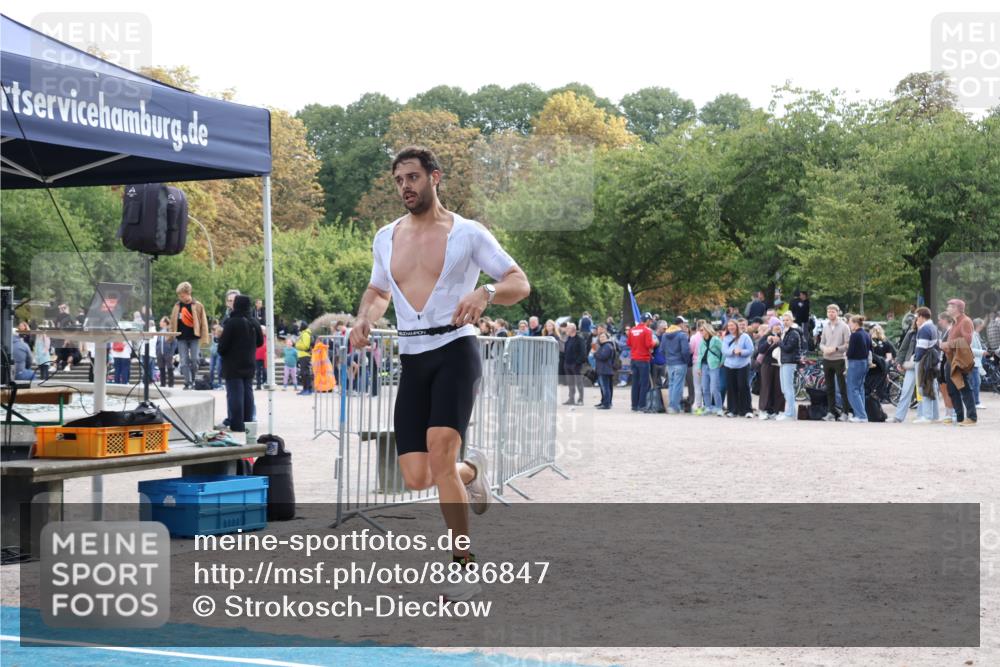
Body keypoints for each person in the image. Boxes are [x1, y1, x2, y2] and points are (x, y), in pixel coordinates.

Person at [348, 145, 530, 599]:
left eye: (412, 177)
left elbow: (518, 282)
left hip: (455, 350)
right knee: (416, 476)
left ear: (434, 177)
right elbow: (378, 289)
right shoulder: (386, 236)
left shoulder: (468, 233)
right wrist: (364, 317)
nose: (405, 187)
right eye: (398, 180)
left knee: (439, 454)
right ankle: (472, 471)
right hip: (413, 358)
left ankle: (464, 565)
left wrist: (485, 293)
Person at [218, 295, 263, 433]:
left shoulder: (232, 322)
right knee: (248, 393)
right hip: (249, 361)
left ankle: (237, 424)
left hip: (233, 364)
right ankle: (248, 423)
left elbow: (222, 346)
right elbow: (260, 342)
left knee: (235, 394)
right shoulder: (254, 322)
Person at [940, 299, 977, 426]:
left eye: (950, 306)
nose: (948, 308)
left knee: (964, 388)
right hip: (951, 360)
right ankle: (960, 418)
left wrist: (947, 344)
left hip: (959, 360)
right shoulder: (955, 323)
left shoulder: (966, 321)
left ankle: (971, 418)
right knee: (952, 390)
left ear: (957, 308)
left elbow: (967, 341)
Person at [169, 282, 210, 390]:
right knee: (183, 361)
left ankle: (192, 379)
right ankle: (188, 382)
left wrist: (205, 337)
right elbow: (173, 322)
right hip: (181, 337)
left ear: (188, 293)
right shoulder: (177, 306)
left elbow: (204, 322)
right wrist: (170, 336)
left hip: (194, 337)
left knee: (195, 359)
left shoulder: (198, 305)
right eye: (179, 296)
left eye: (182, 295)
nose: (180, 298)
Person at [819, 304, 851, 421]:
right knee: (829, 387)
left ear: (837, 313)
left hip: (839, 359)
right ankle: (831, 411)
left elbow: (848, 344)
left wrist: (836, 348)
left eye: (833, 312)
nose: (830, 314)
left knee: (842, 387)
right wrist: (824, 349)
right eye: (828, 312)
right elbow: (821, 342)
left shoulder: (844, 326)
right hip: (827, 359)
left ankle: (845, 412)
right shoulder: (825, 326)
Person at [913, 307, 940, 424]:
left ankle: (927, 416)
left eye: (916, 317)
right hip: (932, 361)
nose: (916, 320)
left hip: (924, 361)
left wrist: (916, 360)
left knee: (924, 386)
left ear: (921, 317)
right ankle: (934, 415)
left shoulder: (924, 329)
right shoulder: (933, 327)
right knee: (932, 387)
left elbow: (921, 348)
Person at [721, 319, 754, 417]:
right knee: (731, 387)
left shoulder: (745, 337)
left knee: (743, 386)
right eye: (729, 326)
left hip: (743, 365)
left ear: (737, 326)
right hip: (729, 366)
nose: (731, 327)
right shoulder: (726, 338)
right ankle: (732, 410)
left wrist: (741, 352)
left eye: (733, 325)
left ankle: (747, 410)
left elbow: (751, 350)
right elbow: (724, 351)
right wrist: (732, 351)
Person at [627, 315, 657, 411]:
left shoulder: (632, 330)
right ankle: (642, 404)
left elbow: (629, 344)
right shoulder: (647, 330)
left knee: (635, 383)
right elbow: (649, 344)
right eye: (650, 321)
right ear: (647, 320)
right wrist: (655, 343)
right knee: (644, 383)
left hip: (634, 359)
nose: (651, 322)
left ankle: (634, 405)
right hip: (643, 359)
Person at [892, 317, 919, 423]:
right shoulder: (911, 333)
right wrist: (899, 362)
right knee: (906, 390)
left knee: (924, 392)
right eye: (916, 320)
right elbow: (903, 348)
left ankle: (925, 415)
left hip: (924, 365)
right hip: (911, 364)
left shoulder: (930, 330)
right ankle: (899, 416)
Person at [757, 317, 785, 419]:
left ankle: (777, 410)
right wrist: (769, 342)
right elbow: (760, 349)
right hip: (767, 364)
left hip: (780, 365)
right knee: (766, 387)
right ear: (771, 326)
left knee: (779, 388)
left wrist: (780, 341)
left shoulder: (784, 336)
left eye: (779, 325)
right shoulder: (766, 336)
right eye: (775, 325)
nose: (777, 327)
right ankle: (763, 410)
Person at [845, 315, 872, 422]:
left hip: (855, 362)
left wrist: (846, 353)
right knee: (860, 388)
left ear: (855, 324)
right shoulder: (866, 334)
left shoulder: (855, 335)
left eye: (850, 323)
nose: (849, 324)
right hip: (864, 362)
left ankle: (861, 415)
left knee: (852, 389)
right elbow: (871, 349)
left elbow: (850, 352)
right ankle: (861, 414)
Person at [776, 312, 802, 421]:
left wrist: (779, 341)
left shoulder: (794, 333)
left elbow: (787, 348)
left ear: (792, 321)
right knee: (784, 389)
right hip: (783, 362)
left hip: (790, 362)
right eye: (784, 320)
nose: (785, 322)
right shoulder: (785, 332)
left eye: (787, 320)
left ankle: (790, 414)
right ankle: (790, 412)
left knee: (788, 388)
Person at [661, 317, 690, 414]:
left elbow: (661, 350)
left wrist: (668, 358)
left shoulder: (665, 335)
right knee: (678, 385)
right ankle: (674, 407)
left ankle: (672, 406)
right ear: (681, 324)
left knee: (672, 385)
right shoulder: (682, 335)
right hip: (680, 363)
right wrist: (687, 361)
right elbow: (685, 351)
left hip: (669, 363)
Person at [697, 322, 724, 415]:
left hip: (714, 366)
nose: (700, 332)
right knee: (705, 388)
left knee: (715, 388)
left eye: (702, 330)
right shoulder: (702, 342)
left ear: (707, 330)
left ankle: (719, 407)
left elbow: (723, 351)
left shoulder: (716, 339)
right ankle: (708, 407)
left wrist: (721, 363)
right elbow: (699, 355)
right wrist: (699, 368)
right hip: (704, 366)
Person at [562, 322, 587, 405]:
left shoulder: (580, 339)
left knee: (579, 382)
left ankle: (581, 400)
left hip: (576, 365)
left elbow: (583, 353)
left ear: (573, 329)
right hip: (567, 364)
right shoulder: (568, 339)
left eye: (568, 328)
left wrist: (577, 362)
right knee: (570, 383)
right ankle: (571, 399)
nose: (566, 330)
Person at [593, 331, 616, 409]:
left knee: (605, 387)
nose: (601, 338)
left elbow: (603, 356)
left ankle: (606, 404)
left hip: (605, 370)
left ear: (607, 338)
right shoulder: (603, 346)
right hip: (603, 369)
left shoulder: (607, 346)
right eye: (600, 337)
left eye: (603, 337)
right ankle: (604, 402)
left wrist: (595, 354)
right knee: (605, 387)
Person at [155, 316, 177, 388]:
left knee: (170, 368)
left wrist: (172, 352)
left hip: (168, 352)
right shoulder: (160, 332)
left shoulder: (170, 331)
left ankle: (171, 383)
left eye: (161, 321)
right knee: (161, 368)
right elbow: (158, 342)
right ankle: (162, 383)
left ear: (165, 323)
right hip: (160, 352)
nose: (160, 323)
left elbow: (174, 343)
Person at [295, 324, 314, 396]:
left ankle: (308, 389)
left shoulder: (305, 334)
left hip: (305, 355)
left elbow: (306, 346)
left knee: (305, 373)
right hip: (302, 355)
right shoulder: (303, 334)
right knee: (303, 373)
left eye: (299, 326)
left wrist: (297, 345)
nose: (298, 327)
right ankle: (305, 389)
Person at [971, 318, 985, 409]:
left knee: (976, 382)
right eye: (981, 326)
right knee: (975, 382)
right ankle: (976, 402)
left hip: (976, 362)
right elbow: (971, 349)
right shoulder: (973, 335)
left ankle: (975, 401)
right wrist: (982, 352)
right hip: (973, 362)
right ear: (978, 326)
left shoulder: (976, 334)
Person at [254, 326, 268, 390]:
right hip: (257, 356)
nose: (262, 331)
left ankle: (264, 383)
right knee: (258, 372)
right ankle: (258, 385)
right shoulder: (256, 337)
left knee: (265, 371)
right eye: (261, 330)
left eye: (263, 330)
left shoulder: (267, 338)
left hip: (265, 357)